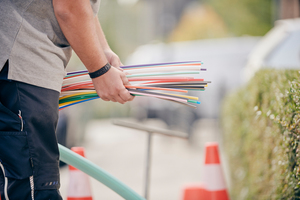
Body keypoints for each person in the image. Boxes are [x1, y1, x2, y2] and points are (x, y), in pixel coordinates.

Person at [0, 0, 134, 199]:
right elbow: (69, 7)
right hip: (20, 66)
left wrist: (103, 51)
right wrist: (100, 71)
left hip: (23, 68)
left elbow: (82, 5)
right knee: (34, 191)